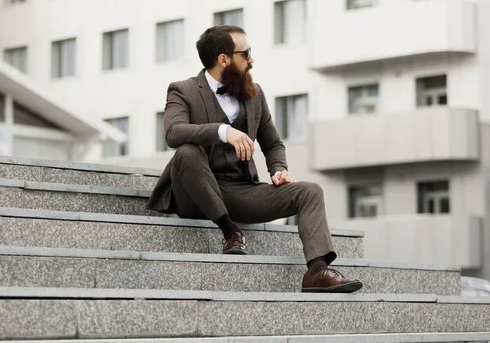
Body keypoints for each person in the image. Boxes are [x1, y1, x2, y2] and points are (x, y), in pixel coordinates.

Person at [146, 25, 363, 293]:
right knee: (186, 151)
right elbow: (173, 132)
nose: (251, 60)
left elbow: (272, 143)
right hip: (194, 191)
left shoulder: (255, 93)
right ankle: (230, 232)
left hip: (240, 190)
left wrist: (279, 169)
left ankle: (316, 271)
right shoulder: (183, 90)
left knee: (310, 191)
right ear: (223, 59)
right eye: (245, 53)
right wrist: (223, 131)